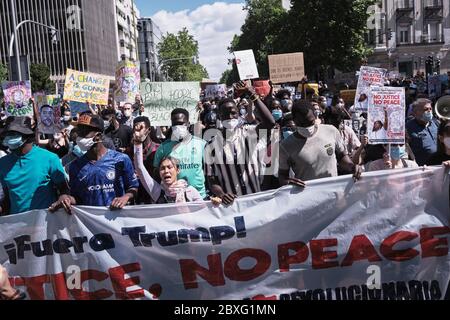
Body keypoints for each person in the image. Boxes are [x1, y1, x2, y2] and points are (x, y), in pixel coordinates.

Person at [49, 113, 139, 213]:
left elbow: (133, 187)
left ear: (98, 136)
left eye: (85, 131)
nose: (79, 136)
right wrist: (67, 198)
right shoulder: (75, 166)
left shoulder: (121, 159)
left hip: (116, 222)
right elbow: (77, 198)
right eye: (79, 131)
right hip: (91, 224)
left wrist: (125, 197)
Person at [205, 81, 276, 205]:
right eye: (225, 114)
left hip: (257, 199)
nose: (230, 116)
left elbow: (270, 123)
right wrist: (222, 194)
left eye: (233, 113)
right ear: (219, 117)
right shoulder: (210, 146)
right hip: (232, 205)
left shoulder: (249, 133)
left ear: (238, 114)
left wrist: (252, 94)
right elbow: (212, 179)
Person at [279, 100, 362, 185]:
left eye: (310, 122)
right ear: (294, 121)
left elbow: (341, 157)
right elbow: (282, 176)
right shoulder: (286, 146)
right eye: (302, 124)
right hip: (306, 196)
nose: (307, 127)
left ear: (315, 115)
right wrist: (287, 182)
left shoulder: (331, 131)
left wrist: (352, 167)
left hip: (332, 192)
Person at [0, 116, 70, 215]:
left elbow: (63, 187)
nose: (9, 138)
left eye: (13, 134)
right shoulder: (2, 163)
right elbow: (7, 197)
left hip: (45, 222)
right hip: (16, 224)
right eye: (7, 135)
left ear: (27, 136)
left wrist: (64, 196)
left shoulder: (50, 158)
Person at [133, 127, 203, 203]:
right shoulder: (157, 191)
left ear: (177, 170)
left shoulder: (190, 191)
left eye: (170, 167)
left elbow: (203, 210)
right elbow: (139, 167)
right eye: (162, 168)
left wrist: (215, 204)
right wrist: (138, 143)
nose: (166, 171)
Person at [153, 108, 207, 199]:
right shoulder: (163, 148)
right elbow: (156, 173)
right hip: (174, 198)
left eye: (181, 123)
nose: (178, 127)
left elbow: (208, 171)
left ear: (188, 124)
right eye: (175, 124)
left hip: (200, 197)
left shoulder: (201, 144)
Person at [132, 116, 160, 204]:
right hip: (139, 194)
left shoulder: (158, 149)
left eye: (141, 128)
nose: (138, 131)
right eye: (135, 128)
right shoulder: (132, 149)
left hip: (154, 192)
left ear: (148, 130)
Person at [406, 98, 439, 166]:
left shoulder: (436, 123)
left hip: (439, 165)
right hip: (422, 168)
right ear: (415, 112)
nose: (429, 111)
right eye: (425, 109)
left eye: (430, 109)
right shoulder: (408, 127)